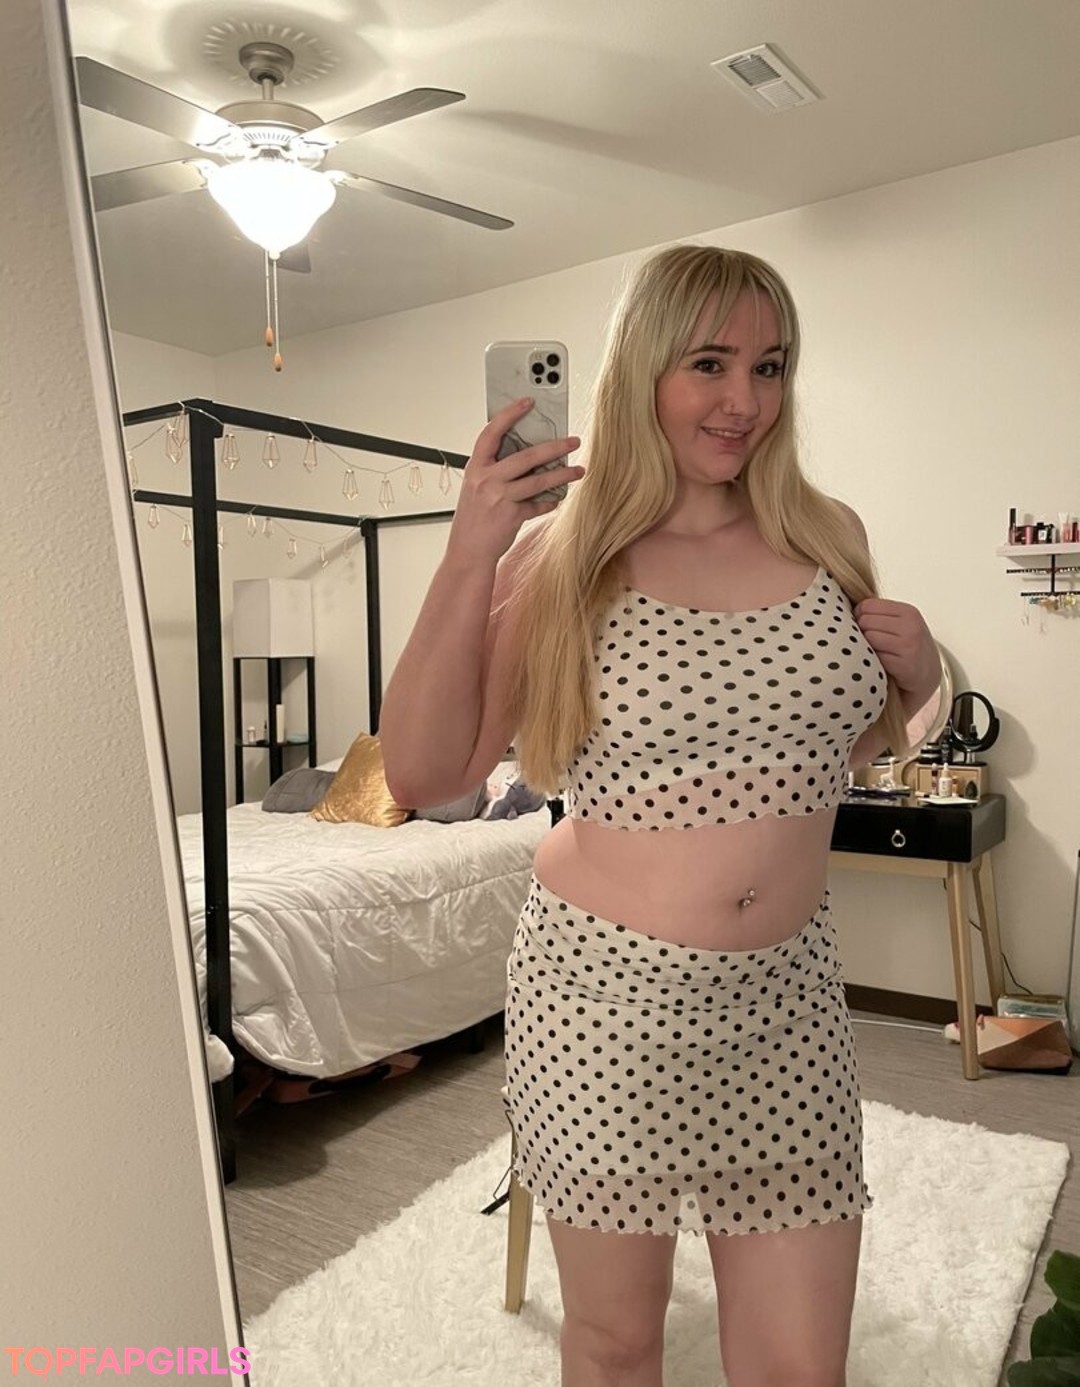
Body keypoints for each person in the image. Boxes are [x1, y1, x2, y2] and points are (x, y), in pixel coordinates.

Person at [380, 244, 939, 1387]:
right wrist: (473, 549)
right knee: (616, 1346)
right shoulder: (563, 557)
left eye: (770, 366)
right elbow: (428, 773)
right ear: (643, 368)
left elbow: (828, 753)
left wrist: (921, 681)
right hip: (604, 1006)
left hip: (787, 1003)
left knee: (802, 1370)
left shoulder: (828, 534)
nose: (745, 401)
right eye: (710, 364)